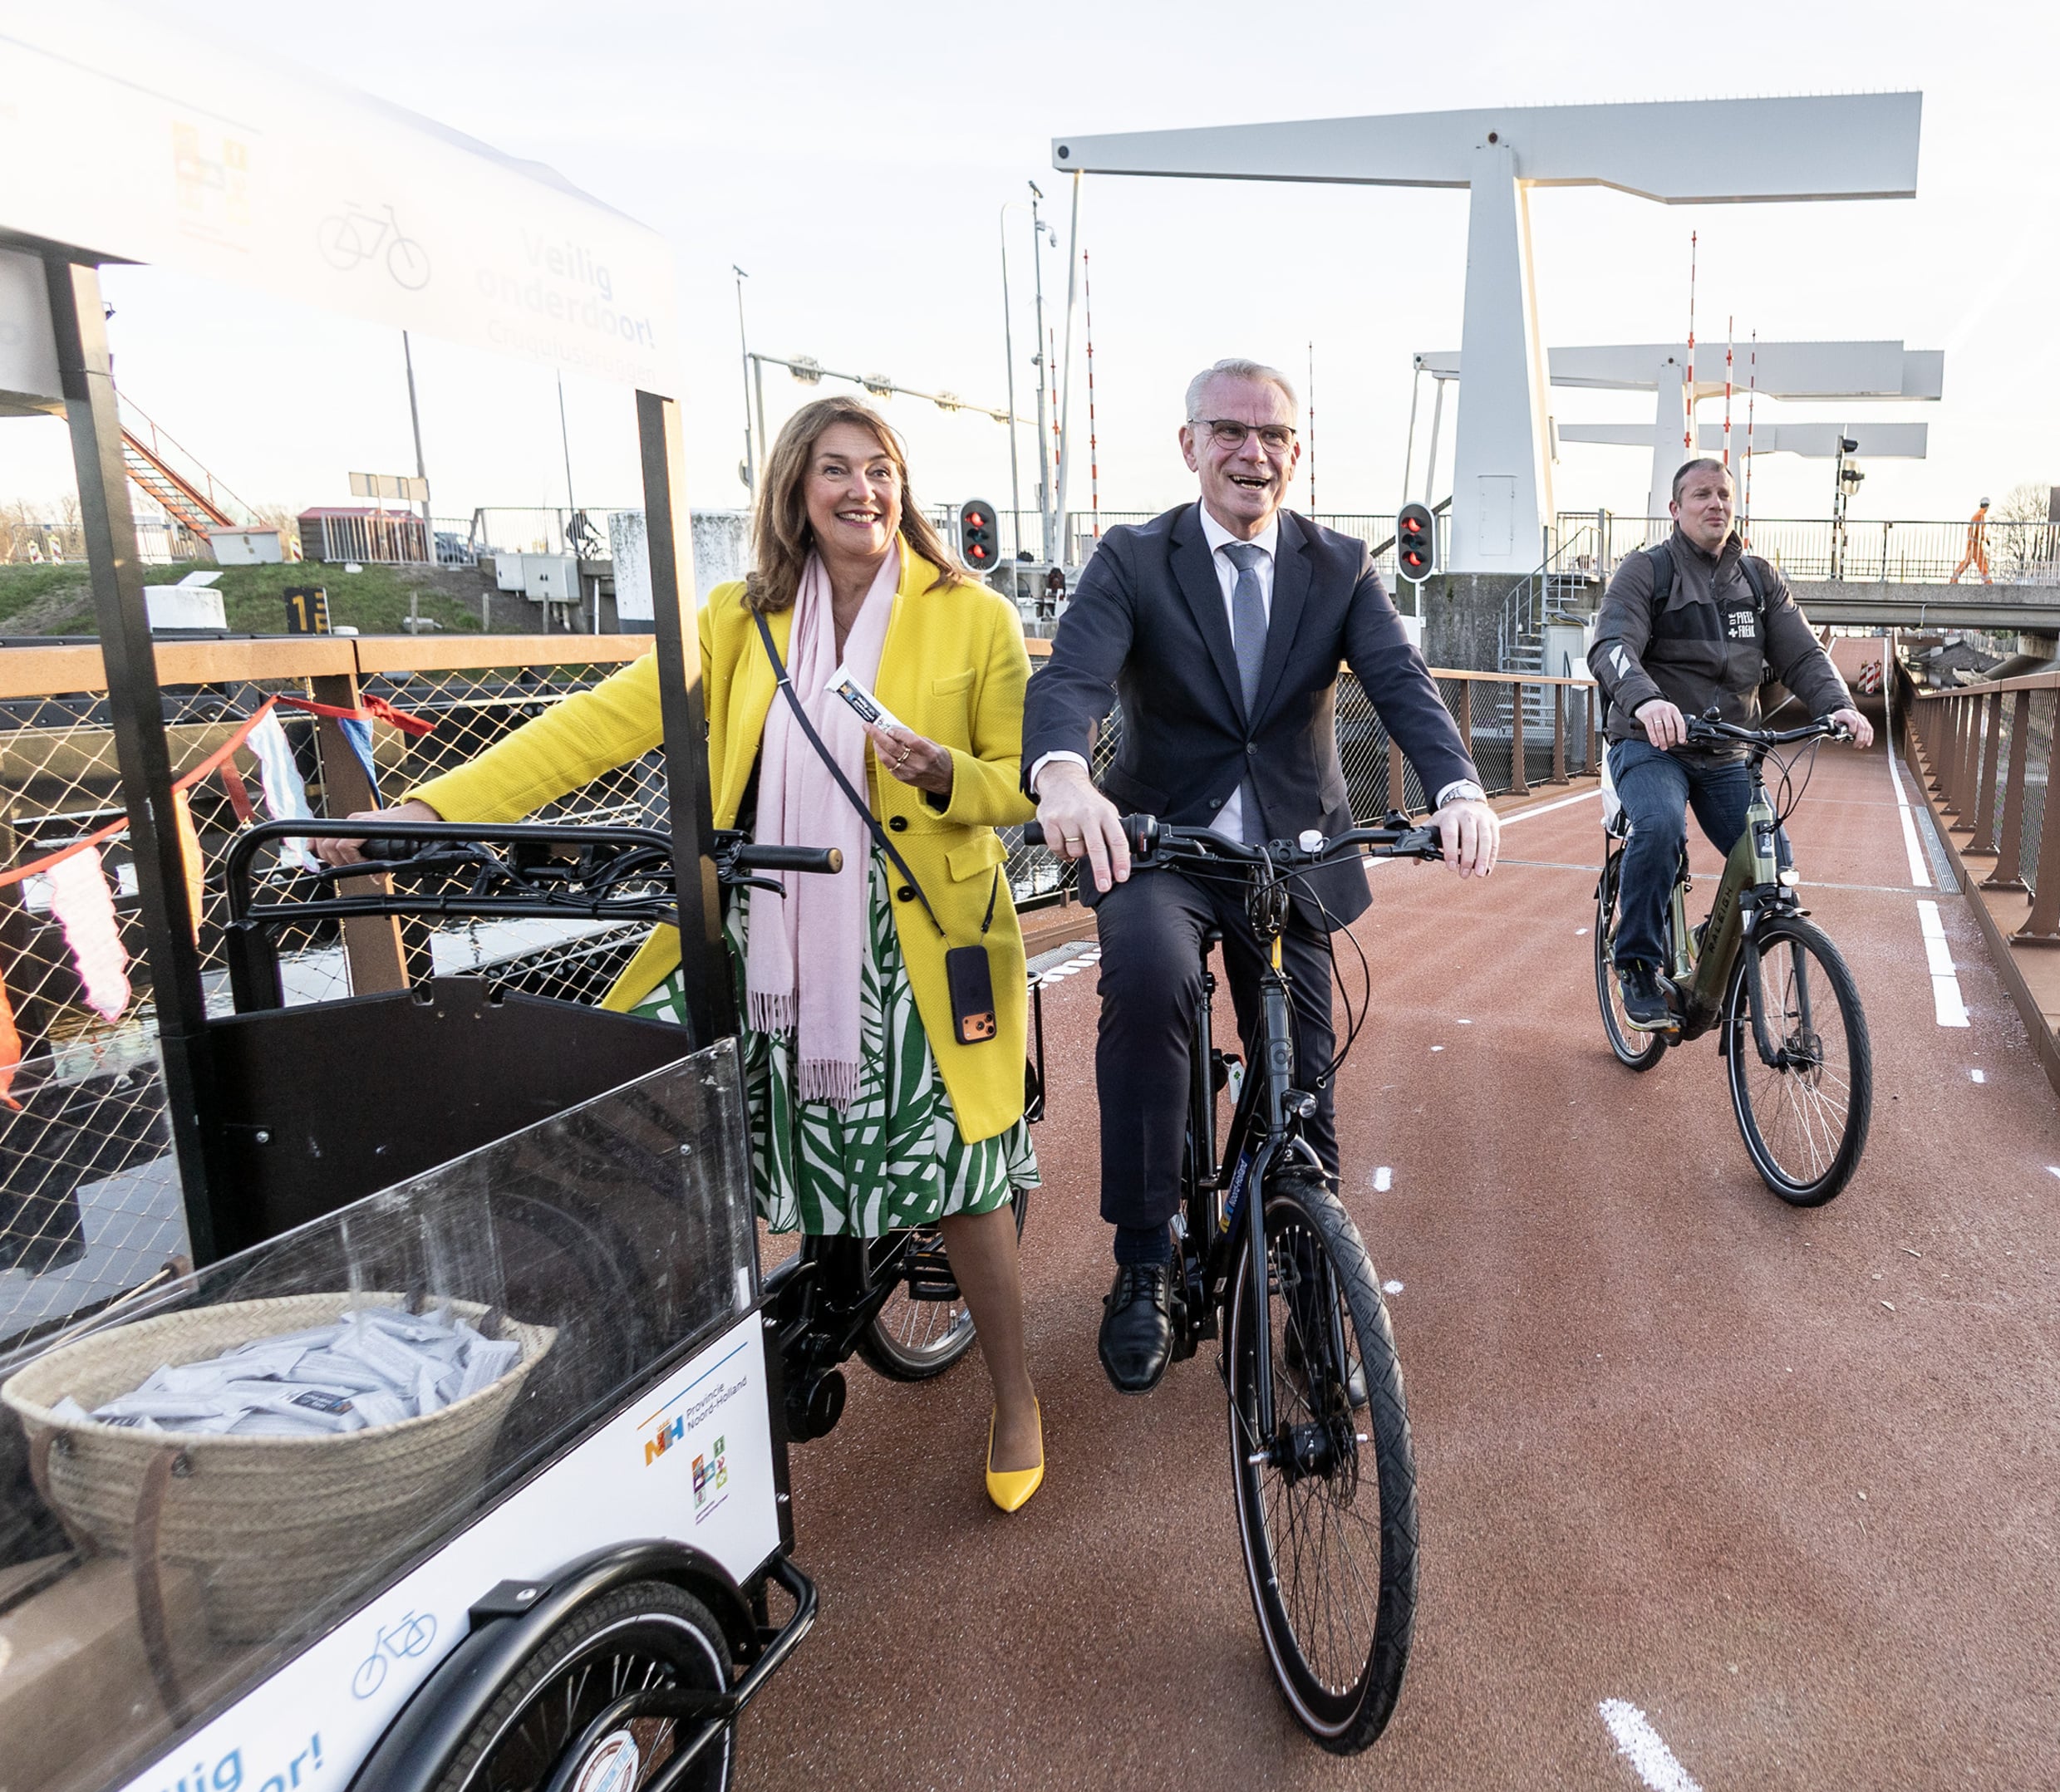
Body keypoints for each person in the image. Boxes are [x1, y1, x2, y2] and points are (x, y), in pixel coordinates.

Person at [311, 396, 1053, 1513]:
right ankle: (705, 1397)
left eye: (882, 468)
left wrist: (947, 772)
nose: (864, 490)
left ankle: (1016, 1393)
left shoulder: (972, 616)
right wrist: (428, 806)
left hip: (917, 940)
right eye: (837, 469)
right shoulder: (737, 618)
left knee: (958, 1180)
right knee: (695, 1144)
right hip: (767, 932)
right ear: (796, 490)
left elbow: (1014, 783)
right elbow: (600, 725)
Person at [1027, 358, 1496, 1394]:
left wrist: (1459, 785)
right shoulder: (1134, 557)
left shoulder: (1340, 565)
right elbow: (1074, 677)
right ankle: (1144, 1254)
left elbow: (1400, 682)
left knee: (1306, 1073)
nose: (1253, 452)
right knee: (1148, 984)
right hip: (1164, 844)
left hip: (1293, 851)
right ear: (1190, 444)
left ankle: (1307, 1280)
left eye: (1273, 434)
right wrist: (1063, 772)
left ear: (1296, 449)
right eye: (1229, 431)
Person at [1590, 457, 1874, 1029]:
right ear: (1675, 509)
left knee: (1775, 862)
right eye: (1701, 494)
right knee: (1662, 826)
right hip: (1652, 744)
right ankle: (1638, 963)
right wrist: (1647, 700)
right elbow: (1612, 645)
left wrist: (1837, 704)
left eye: (1724, 494)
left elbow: (1802, 654)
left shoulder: (1759, 580)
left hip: (1727, 752)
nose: (1715, 503)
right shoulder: (1646, 571)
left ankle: (1708, 944)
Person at [1951, 496, 1994, 584]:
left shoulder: (1977, 515)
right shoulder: (1980, 516)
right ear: (1986, 507)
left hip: (1975, 544)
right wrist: (1986, 540)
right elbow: (1980, 531)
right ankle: (1954, 578)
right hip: (1974, 544)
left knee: (1981, 561)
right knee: (1968, 561)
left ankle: (1988, 581)